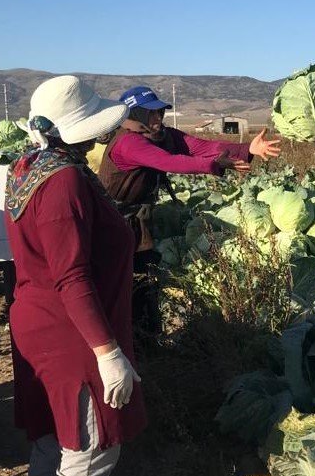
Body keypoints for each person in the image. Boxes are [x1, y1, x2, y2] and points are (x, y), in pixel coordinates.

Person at [6, 75, 145, 476]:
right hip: (72, 336)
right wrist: (107, 353)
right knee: (89, 455)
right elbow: (72, 276)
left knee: (50, 444)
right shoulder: (64, 181)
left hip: (39, 324)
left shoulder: (28, 167)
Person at [95, 86, 281, 336]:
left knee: (144, 280)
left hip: (136, 222)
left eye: (159, 112)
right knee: (125, 284)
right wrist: (213, 165)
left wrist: (247, 149)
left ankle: (148, 336)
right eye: (151, 113)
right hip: (113, 224)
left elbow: (199, 147)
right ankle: (131, 339)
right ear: (134, 114)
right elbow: (169, 162)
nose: (157, 118)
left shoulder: (160, 135)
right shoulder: (128, 142)